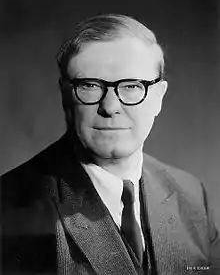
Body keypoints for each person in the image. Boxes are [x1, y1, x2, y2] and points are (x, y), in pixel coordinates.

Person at [1, 14, 220, 275]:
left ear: (158, 97)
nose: (110, 107)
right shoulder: (9, 206)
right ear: (64, 94)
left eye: (131, 86)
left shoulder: (192, 196)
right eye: (90, 85)